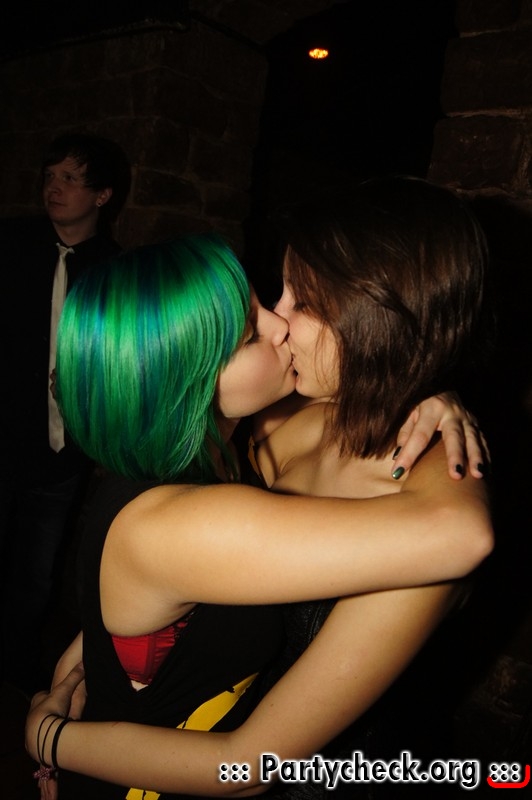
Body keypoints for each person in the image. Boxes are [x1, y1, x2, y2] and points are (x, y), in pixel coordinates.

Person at [26, 199, 492, 800]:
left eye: (302, 301)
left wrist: (438, 400)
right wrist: (51, 738)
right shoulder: (209, 490)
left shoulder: (247, 438)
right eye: (253, 330)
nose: (279, 322)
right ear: (189, 380)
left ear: (375, 324)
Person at [0, 132, 131, 694]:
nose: (54, 187)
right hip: (4, 434)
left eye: (70, 178)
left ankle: (14, 672)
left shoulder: (115, 271)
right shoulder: (12, 243)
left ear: (102, 195)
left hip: (61, 456)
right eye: (50, 176)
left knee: (35, 574)